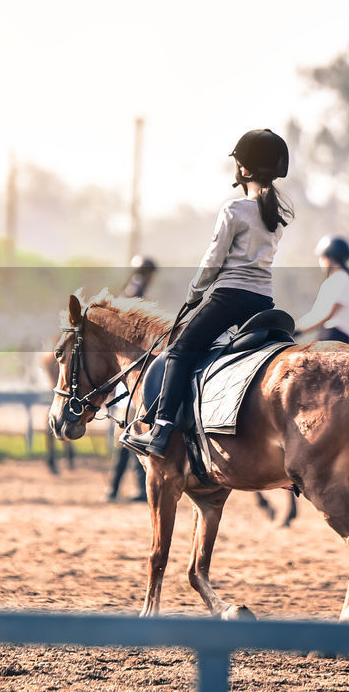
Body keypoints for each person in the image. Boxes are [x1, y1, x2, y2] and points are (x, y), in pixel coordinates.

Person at [121, 128, 293, 459]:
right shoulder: (277, 218)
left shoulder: (234, 210)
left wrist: (193, 294)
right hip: (263, 302)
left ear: (244, 170)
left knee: (178, 353)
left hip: (230, 297)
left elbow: (213, 260)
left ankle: (160, 431)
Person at [107, 255, 156, 501]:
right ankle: (122, 488)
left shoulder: (134, 288)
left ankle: (116, 489)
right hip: (131, 375)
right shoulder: (135, 290)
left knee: (129, 435)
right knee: (131, 434)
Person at [295, 236, 349, 343]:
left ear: (330, 257)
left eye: (321, 258)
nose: (320, 262)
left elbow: (325, 315)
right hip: (337, 336)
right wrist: (295, 327)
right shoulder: (340, 279)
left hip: (332, 336)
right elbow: (315, 314)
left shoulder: (339, 278)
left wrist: (298, 331)